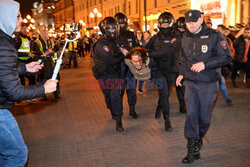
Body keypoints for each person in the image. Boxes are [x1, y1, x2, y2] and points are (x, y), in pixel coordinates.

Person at [0, 0, 57, 166]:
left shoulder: (4, 42)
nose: (22, 20)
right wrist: (43, 89)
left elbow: (3, 70)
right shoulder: (3, 45)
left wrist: (24, 68)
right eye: (17, 16)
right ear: (5, 17)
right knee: (17, 155)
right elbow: (14, 92)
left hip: (2, 107)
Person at [176, 10, 232, 164]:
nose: (191, 25)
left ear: (201, 20)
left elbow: (227, 57)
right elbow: (185, 59)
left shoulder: (215, 36)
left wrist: (205, 65)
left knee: (204, 118)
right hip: (191, 83)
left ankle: (198, 137)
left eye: (194, 21)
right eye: (188, 22)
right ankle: (192, 147)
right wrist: (181, 73)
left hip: (208, 84)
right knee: (191, 115)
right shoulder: (185, 37)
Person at [146, 12, 182, 131]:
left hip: (172, 70)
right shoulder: (156, 37)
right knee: (164, 92)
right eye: (163, 24)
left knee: (165, 93)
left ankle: (158, 107)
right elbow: (146, 48)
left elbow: (165, 52)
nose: (165, 26)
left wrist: (151, 53)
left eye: (167, 24)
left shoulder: (176, 37)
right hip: (158, 70)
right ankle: (167, 119)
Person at [92, 17, 125, 132]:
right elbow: (111, 60)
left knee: (116, 96)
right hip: (103, 75)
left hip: (115, 73)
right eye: (109, 29)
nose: (112, 31)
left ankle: (119, 120)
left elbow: (122, 52)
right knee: (108, 96)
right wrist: (123, 54)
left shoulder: (116, 41)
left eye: (113, 29)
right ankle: (112, 109)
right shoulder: (100, 45)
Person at [114, 12, 139, 119]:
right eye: (119, 24)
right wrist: (119, 50)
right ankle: (117, 112)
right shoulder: (112, 35)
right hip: (118, 68)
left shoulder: (130, 34)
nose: (122, 25)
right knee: (119, 92)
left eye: (123, 23)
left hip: (130, 68)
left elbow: (136, 47)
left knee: (132, 90)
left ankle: (132, 109)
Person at [135, 29, 146, 94]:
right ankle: (134, 88)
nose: (139, 34)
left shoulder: (143, 41)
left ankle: (140, 87)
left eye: (140, 33)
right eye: (138, 33)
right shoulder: (134, 41)